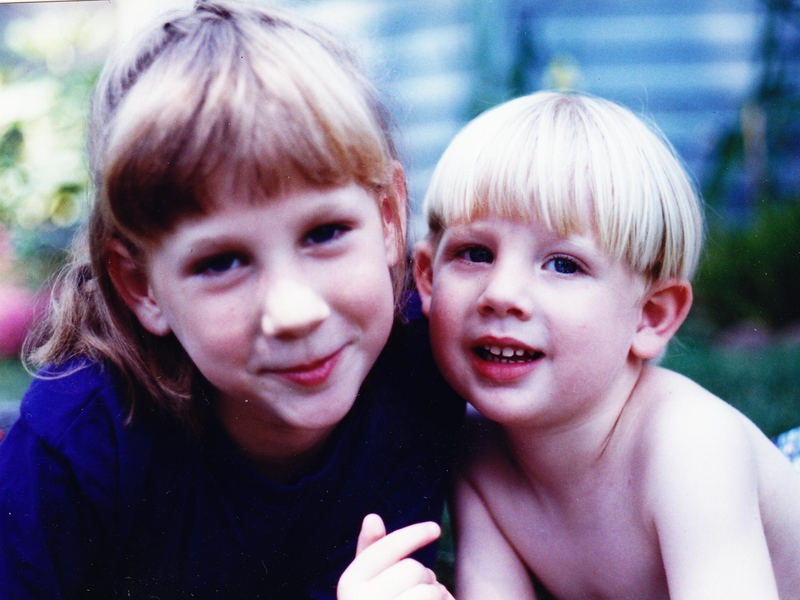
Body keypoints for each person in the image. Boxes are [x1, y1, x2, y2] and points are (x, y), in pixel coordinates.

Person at [0, 2, 463, 598]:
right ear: (142, 286)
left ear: (390, 217)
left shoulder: (429, 356)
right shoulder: (81, 441)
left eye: (324, 233)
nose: (294, 312)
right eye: (222, 262)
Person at [413, 91, 800, 599]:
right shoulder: (476, 449)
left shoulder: (688, 446)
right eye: (475, 252)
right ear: (426, 277)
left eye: (563, 264)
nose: (501, 293)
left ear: (649, 316)